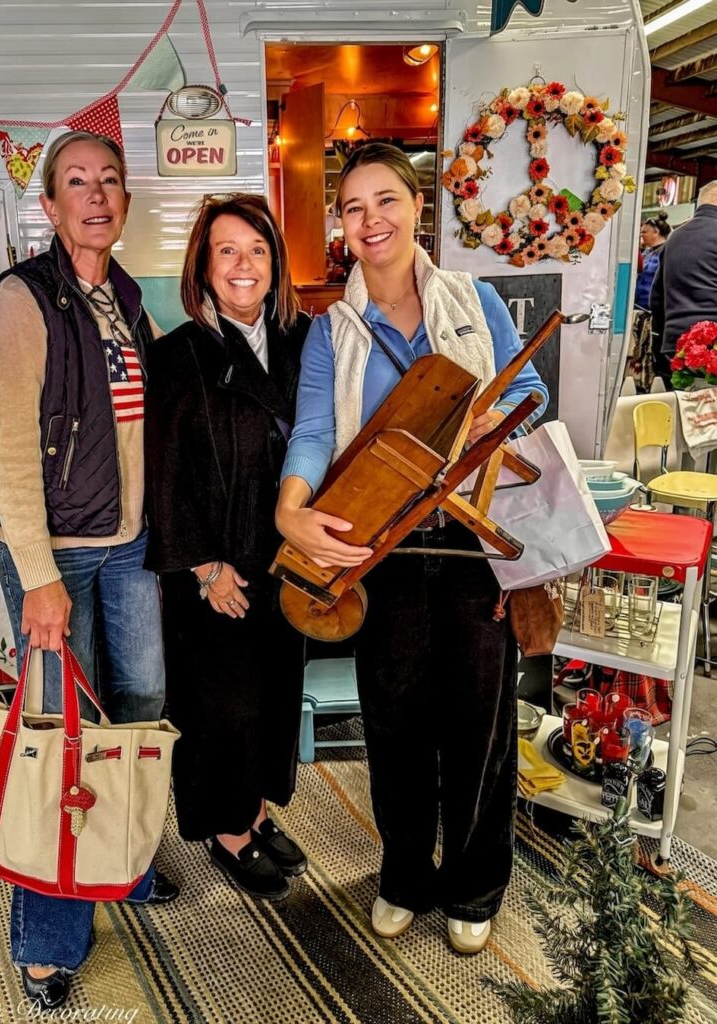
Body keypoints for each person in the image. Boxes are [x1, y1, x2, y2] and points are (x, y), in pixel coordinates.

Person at [274, 143, 548, 954]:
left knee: (479, 724)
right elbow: (316, 431)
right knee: (392, 722)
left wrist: (484, 431)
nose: (371, 220)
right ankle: (402, 874)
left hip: (472, 547)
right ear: (341, 226)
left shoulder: (473, 299)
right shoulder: (332, 329)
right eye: (354, 208)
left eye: (385, 200)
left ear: (416, 207)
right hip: (382, 551)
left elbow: (527, 395)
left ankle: (473, 882)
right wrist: (291, 512)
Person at [0, 130, 175, 1011]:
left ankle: (116, 865)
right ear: (49, 207)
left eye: (110, 182)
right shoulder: (21, 301)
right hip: (52, 554)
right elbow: (10, 453)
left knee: (137, 706)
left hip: (125, 545)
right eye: (77, 184)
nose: (97, 196)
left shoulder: (126, 301)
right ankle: (47, 941)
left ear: (124, 203)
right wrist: (38, 576)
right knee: (59, 738)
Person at [145, 194, 311, 900]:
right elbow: (163, 470)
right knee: (222, 707)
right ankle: (226, 830)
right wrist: (206, 566)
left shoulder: (307, 341)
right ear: (203, 267)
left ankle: (258, 810)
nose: (243, 266)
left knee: (274, 696)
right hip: (214, 566)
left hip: (289, 557)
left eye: (257, 250)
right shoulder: (177, 355)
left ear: (276, 264)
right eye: (226, 251)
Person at [651, 181, 717, 389]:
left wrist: (665, 341)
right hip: (712, 350)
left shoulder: (675, 237)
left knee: (685, 416)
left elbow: (656, 298)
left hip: (677, 349)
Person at [630, 213, 671, 392]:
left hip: (653, 314)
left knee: (652, 357)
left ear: (656, 232)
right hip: (639, 311)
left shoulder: (666, 251)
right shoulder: (646, 253)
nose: (642, 236)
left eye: (645, 232)